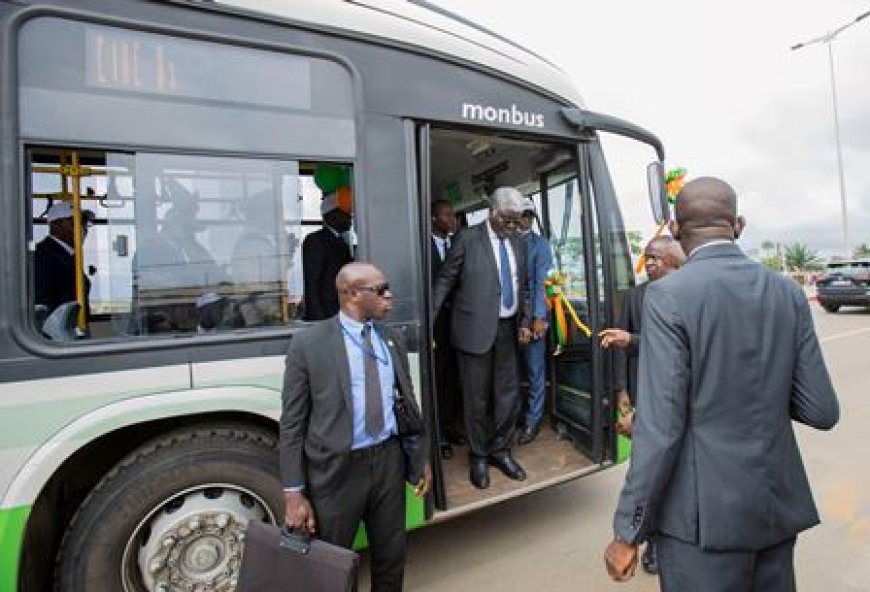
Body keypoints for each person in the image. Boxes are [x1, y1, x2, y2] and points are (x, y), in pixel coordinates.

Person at [604, 177, 840, 592]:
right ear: (739, 225)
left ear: (676, 231)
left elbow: (660, 428)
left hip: (701, 520)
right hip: (775, 507)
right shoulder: (786, 292)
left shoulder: (667, 296)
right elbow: (821, 410)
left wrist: (628, 530)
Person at [281, 262, 431, 592]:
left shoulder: (391, 338)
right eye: (380, 290)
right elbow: (292, 424)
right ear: (351, 294)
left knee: (392, 556)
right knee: (333, 563)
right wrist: (294, 493)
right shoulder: (309, 344)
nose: (389, 296)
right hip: (336, 471)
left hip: (387, 462)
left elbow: (405, 403)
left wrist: (418, 459)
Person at [433, 187, 532, 489]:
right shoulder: (466, 239)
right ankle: (478, 455)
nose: (513, 227)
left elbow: (523, 285)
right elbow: (444, 281)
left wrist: (525, 320)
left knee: (508, 396)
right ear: (493, 214)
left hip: (508, 330)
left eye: (517, 221)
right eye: (508, 220)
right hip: (473, 331)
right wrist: (428, 324)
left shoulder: (516, 240)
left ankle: (500, 450)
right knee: (476, 399)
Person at [598, 234, 684, 575]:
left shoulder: (686, 296)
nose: (649, 264)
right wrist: (622, 394)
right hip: (643, 395)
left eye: (656, 258)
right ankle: (649, 543)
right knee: (648, 474)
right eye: (646, 258)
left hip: (675, 398)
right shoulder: (634, 297)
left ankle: (665, 543)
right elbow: (622, 345)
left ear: (675, 261)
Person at [430, 199, 465, 459]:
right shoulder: (422, 246)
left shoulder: (457, 244)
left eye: (453, 214)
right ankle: (439, 433)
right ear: (433, 219)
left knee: (454, 377)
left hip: (458, 322)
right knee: (437, 379)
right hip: (435, 325)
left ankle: (452, 426)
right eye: (447, 215)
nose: (453, 219)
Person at [517, 198, 553, 446]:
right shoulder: (505, 241)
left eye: (529, 215)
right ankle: (516, 415)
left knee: (534, 371)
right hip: (508, 317)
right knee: (512, 371)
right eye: (522, 214)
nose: (525, 219)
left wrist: (539, 318)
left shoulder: (540, 245)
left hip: (532, 317)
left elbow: (542, 283)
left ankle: (533, 420)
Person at [34, 202, 94, 321]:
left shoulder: (67, 255)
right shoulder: (43, 255)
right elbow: (43, 305)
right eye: (75, 223)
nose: (83, 229)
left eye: (84, 224)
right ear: (56, 226)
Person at [302, 192, 353, 321]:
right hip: (327, 315)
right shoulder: (316, 240)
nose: (350, 218)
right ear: (331, 215)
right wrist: (320, 319)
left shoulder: (342, 242)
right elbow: (312, 282)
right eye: (345, 213)